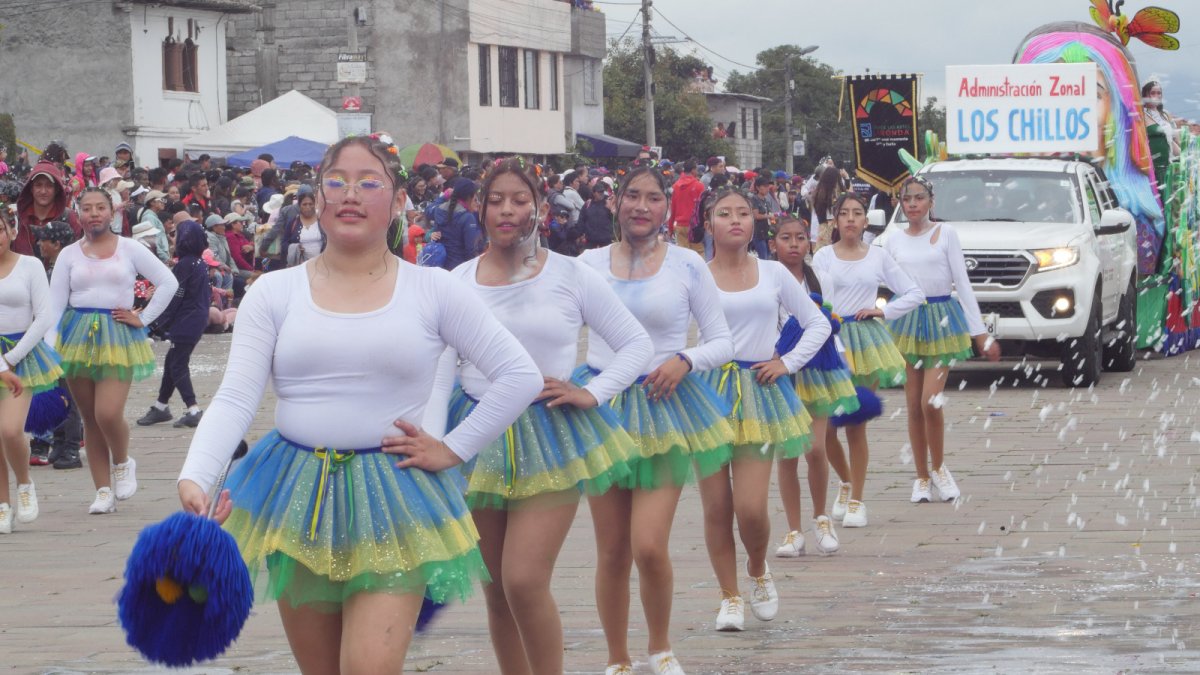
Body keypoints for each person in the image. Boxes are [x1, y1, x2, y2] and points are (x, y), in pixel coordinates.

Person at [178, 134, 542, 672]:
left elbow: (519, 375)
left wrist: (454, 449)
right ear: (318, 199)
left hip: (395, 497)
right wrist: (196, 475)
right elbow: (236, 396)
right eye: (336, 181)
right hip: (295, 493)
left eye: (369, 182)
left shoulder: (434, 290)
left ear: (398, 202)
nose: (351, 194)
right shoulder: (273, 293)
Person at [422, 158, 652, 675]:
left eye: (520, 199)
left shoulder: (571, 274)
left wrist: (595, 393)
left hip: (550, 431)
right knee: (495, 586)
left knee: (524, 578)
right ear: (479, 208)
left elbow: (637, 344)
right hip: (477, 433)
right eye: (496, 199)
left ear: (541, 208)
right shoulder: (455, 281)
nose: (507, 209)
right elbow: (441, 374)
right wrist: (438, 445)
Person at [574, 166, 734, 675]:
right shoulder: (586, 264)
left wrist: (686, 360)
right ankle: (617, 657)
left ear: (668, 208)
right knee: (613, 549)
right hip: (603, 406)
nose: (641, 206)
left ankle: (661, 646)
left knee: (648, 543)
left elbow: (721, 340)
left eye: (653, 198)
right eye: (632, 197)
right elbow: (553, 326)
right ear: (616, 203)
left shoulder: (687, 265)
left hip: (664, 406)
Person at [700, 188, 830, 631]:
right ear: (708, 223)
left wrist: (786, 362)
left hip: (757, 390)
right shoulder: (693, 274)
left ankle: (757, 567)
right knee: (717, 505)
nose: (735, 219)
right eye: (724, 213)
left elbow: (818, 323)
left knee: (750, 507)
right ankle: (729, 595)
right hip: (705, 393)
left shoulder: (774, 273)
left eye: (742, 212)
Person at [46, 187, 178, 515]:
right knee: (89, 418)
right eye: (87, 208)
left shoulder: (130, 248)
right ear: (77, 213)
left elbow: (168, 282)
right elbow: (54, 305)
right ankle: (103, 490)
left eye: (100, 207)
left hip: (118, 334)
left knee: (107, 412)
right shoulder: (69, 255)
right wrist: (50, 349)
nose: (94, 214)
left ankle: (122, 461)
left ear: (112, 212)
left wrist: (142, 318)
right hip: (77, 336)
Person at [884, 176, 1000, 505]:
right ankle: (921, 477)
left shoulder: (945, 234)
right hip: (907, 320)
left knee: (929, 401)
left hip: (941, 319)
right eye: (908, 199)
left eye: (919, 198)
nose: (913, 204)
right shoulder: (893, 240)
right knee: (912, 405)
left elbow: (961, 283)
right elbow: (883, 280)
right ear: (901, 203)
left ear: (931, 201)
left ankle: (940, 468)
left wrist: (981, 334)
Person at [811, 192, 923, 527]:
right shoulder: (822, 258)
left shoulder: (878, 257)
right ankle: (845, 482)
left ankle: (858, 498)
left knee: (855, 424)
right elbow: (813, 300)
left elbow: (914, 293)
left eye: (856, 213)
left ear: (865, 220)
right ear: (835, 219)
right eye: (843, 213)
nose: (849, 219)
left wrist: (883, 310)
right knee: (827, 426)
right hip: (830, 339)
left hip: (865, 340)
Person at [770, 216, 849, 556]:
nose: (793, 244)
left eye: (800, 238)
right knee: (787, 454)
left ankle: (821, 519)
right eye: (785, 238)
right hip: (777, 371)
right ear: (773, 243)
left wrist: (844, 365)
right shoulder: (765, 278)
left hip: (816, 371)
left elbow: (830, 324)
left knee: (816, 448)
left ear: (809, 242)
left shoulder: (822, 279)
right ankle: (793, 530)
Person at [0, 216, 61, 533]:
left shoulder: (30, 265)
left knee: (10, 430)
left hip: (22, 355)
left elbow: (44, 316)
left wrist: (11, 357)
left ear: (10, 230)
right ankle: (2, 504)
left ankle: (24, 483)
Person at [137, 221, 212, 429]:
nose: (173, 239)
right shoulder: (198, 262)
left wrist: (157, 321)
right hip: (195, 319)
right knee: (172, 361)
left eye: (175, 235)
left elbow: (174, 296)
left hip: (186, 321)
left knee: (178, 365)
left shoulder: (186, 264)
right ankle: (161, 407)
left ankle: (193, 409)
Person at [31, 222, 84, 470]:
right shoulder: (53, 269)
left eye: (44, 240)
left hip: (67, 339)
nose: (39, 244)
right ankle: (61, 443)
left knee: (69, 395)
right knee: (59, 392)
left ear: (57, 244)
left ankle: (71, 448)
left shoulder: (63, 271)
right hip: (56, 339)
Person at [14, 160, 81, 256]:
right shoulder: (16, 220)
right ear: (31, 188)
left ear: (57, 189)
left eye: (49, 186)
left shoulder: (70, 218)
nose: (43, 191)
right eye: (38, 185)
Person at [438, 180, 483, 270]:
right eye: (475, 197)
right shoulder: (468, 218)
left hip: (441, 264)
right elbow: (470, 249)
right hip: (460, 266)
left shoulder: (439, 210)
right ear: (469, 197)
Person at [668, 161, 705, 251]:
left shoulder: (675, 186)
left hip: (679, 224)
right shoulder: (699, 186)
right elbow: (702, 207)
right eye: (696, 169)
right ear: (693, 170)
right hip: (695, 225)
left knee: (682, 253)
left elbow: (672, 208)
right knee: (698, 252)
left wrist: (670, 227)